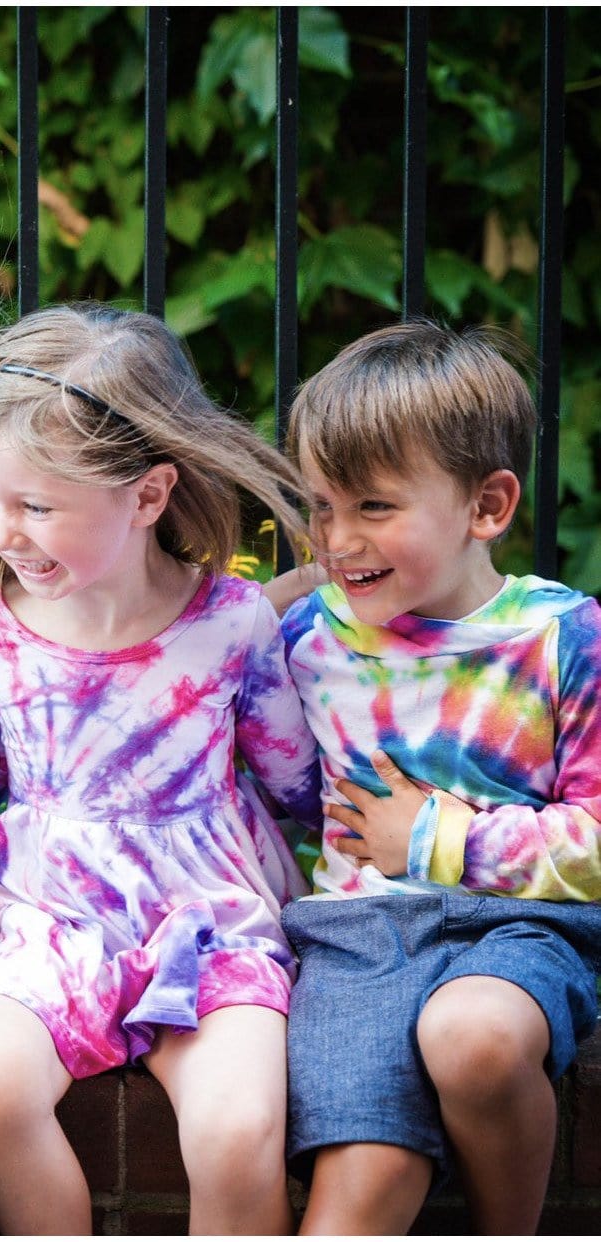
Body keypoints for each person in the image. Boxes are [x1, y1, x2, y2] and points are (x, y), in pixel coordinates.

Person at [0, 303, 322, 1235]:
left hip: (210, 920)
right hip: (54, 922)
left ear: (147, 496)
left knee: (236, 1125)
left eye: (37, 506)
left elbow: (298, 783)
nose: (3, 531)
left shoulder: (230, 626)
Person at [279, 321, 601, 1235]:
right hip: (357, 941)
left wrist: (436, 838)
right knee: (348, 1211)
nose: (338, 541)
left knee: (473, 1039)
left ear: (488, 505)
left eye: (373, 508)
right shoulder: (304, 635)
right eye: (320, 506)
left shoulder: (562, 640)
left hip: (523, 926)